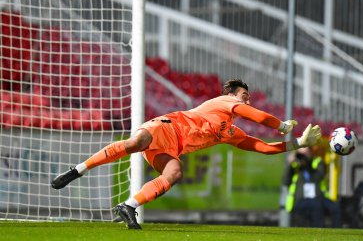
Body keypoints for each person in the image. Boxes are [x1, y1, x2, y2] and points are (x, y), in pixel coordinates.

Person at [51, 79, 321, 229]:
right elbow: (253, 114)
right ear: (231, 95)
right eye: (244, 95)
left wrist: (297, 143)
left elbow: (262, 147)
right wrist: (281, 125)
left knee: (175, 173)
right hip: (164, 127)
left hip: (172, 148)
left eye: (248, 97)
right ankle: (77, 170)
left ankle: (129, 206)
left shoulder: (230, 133)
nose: (246, 100)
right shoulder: (224, 102)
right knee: (135, 143)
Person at [283, 146, 342, 228]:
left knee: (335, 208)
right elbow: (285, 182)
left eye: (305, 153)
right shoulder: (295, 166)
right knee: (315, 206)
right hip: (301, 199)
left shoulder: (317, 162)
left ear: (310, 152)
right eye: (301, 154)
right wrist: (290, 164)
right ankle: (317, 231)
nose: (303, 156)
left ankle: (336, 233)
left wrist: (307, 163)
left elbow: (317, 178)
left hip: (319, 197)